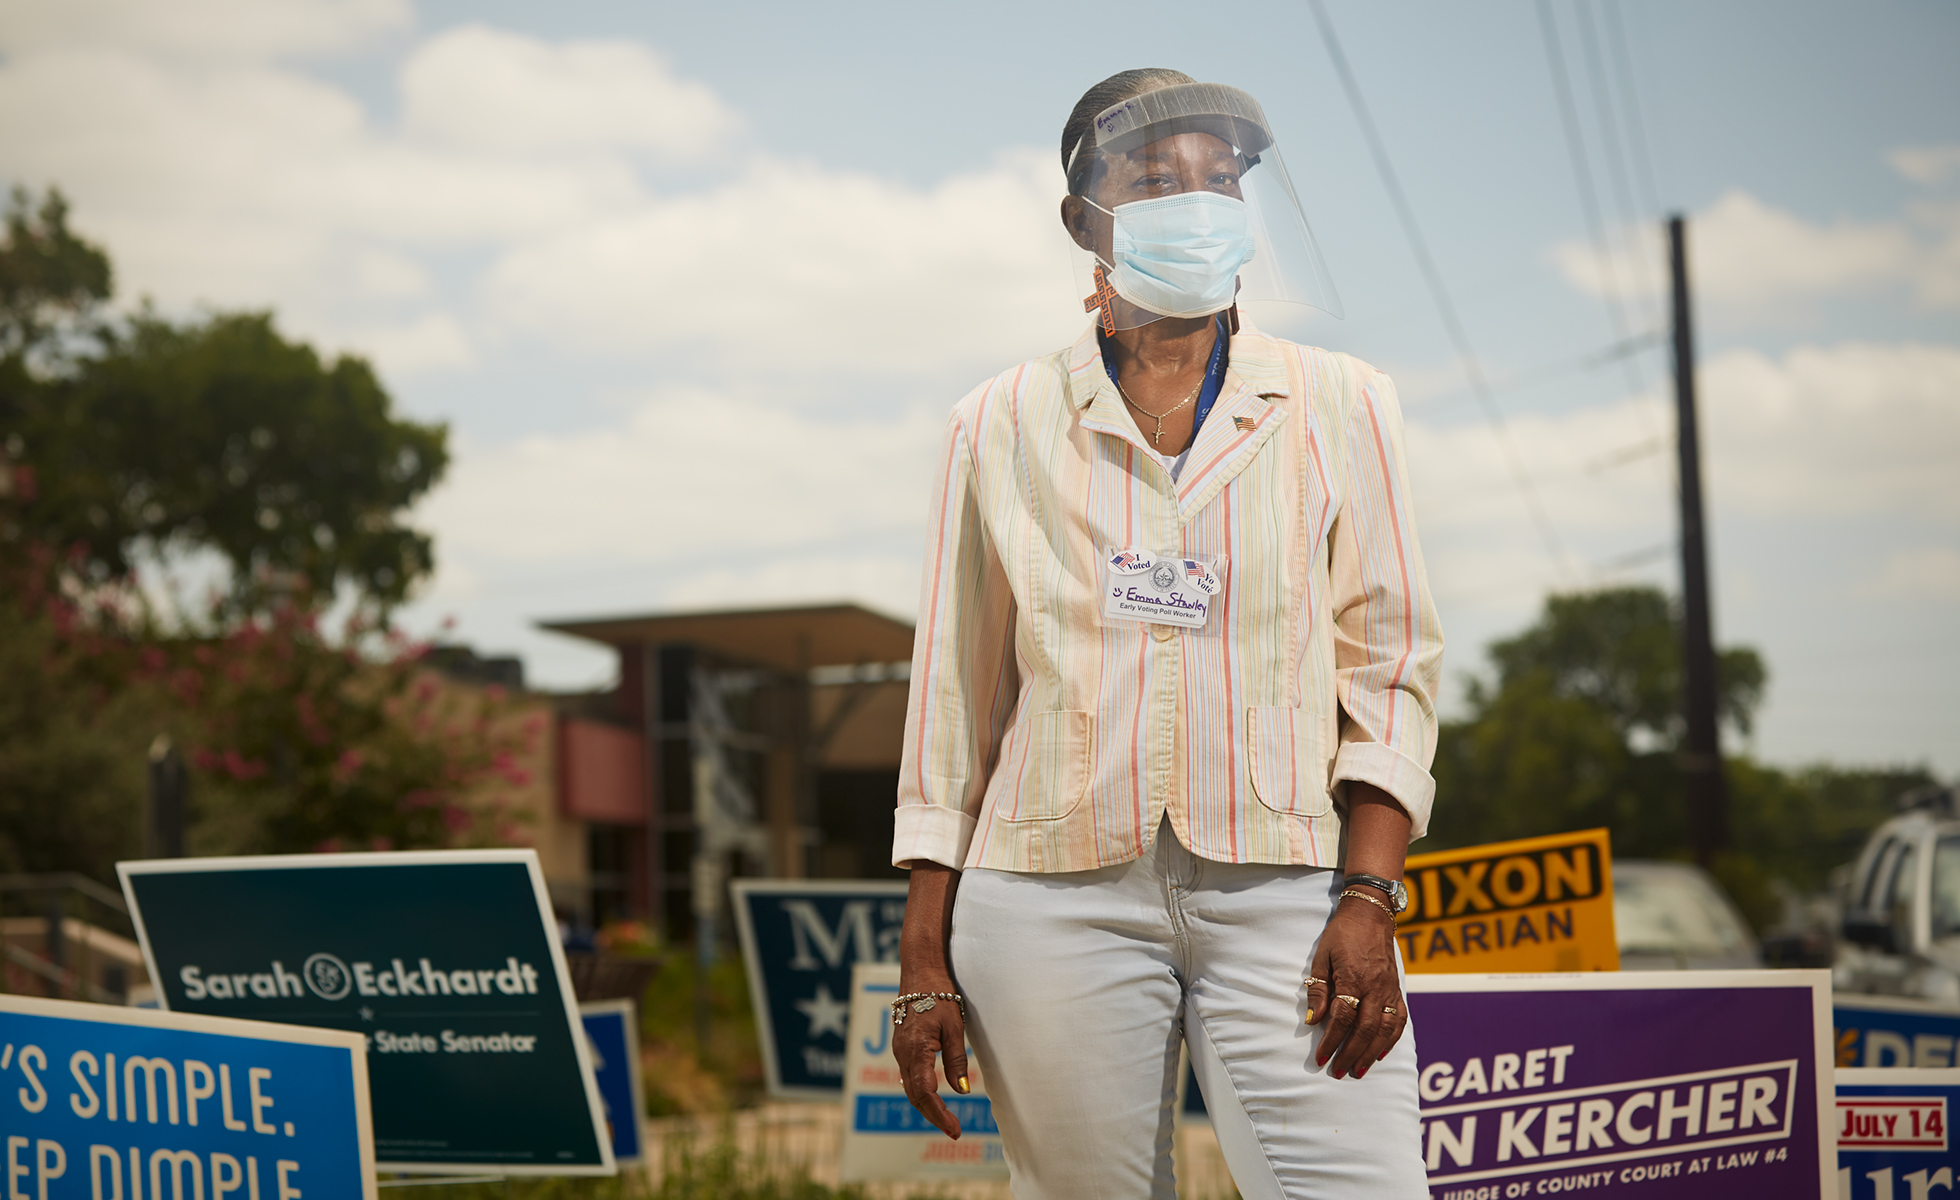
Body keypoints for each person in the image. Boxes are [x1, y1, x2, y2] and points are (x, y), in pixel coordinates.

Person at [889, 67, 1442, 1199]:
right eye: (1155, 177)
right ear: (1083, 218)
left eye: (1220, 177)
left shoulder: (1342, 403)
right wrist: (921, 959)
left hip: (1288, 888)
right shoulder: (997, 421)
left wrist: (1367, 897)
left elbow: (1389, 668)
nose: (1198, 200)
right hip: (1047, 893)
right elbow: (953, 699)